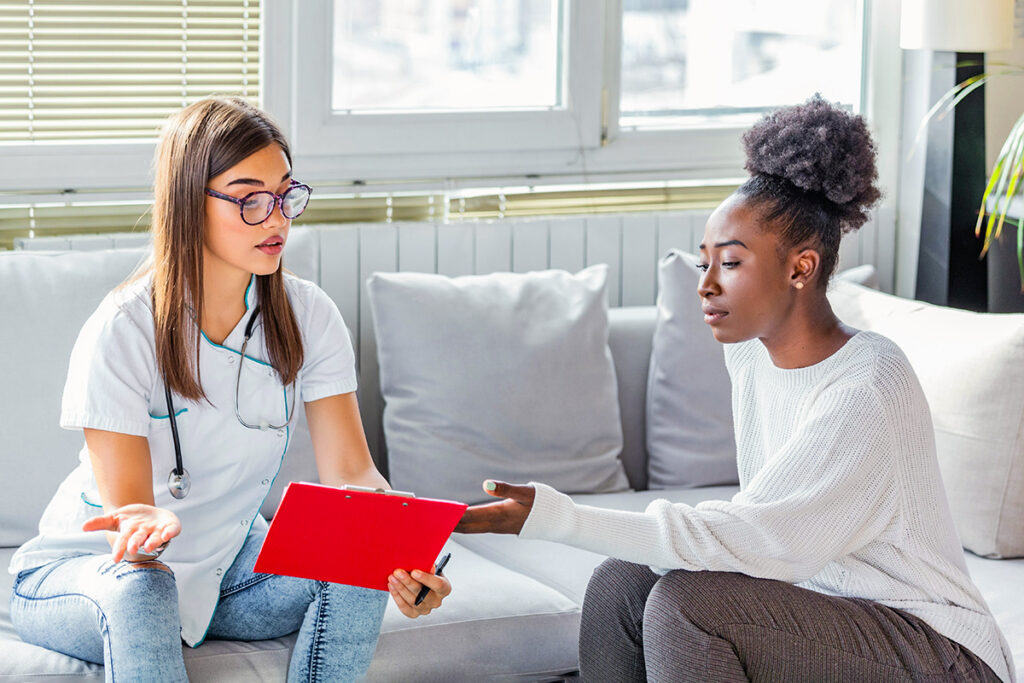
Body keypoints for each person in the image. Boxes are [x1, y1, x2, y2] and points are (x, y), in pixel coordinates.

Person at [456, 95, 1015, 682]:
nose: (706, 286)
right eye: (705, 263)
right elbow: (758, 538)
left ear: (800, 268)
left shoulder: (868, 385)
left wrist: (560, 518)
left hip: (941, 653)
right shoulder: (750, 356)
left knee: (688, 609)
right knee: (623, 579)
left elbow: (764, 537)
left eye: (730, 263)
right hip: (829, 613)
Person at [8, 97, 451, 683]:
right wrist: (146, 522)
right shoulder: (124, 326)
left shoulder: (309, 315)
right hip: (90, 574)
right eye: (249, 199)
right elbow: (129, 516)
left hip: (222, 575)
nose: (277, 220)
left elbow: (355, 478)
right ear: (190, 203)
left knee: (357, 558)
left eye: (286, 195)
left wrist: (399, 556)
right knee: (144, 589)